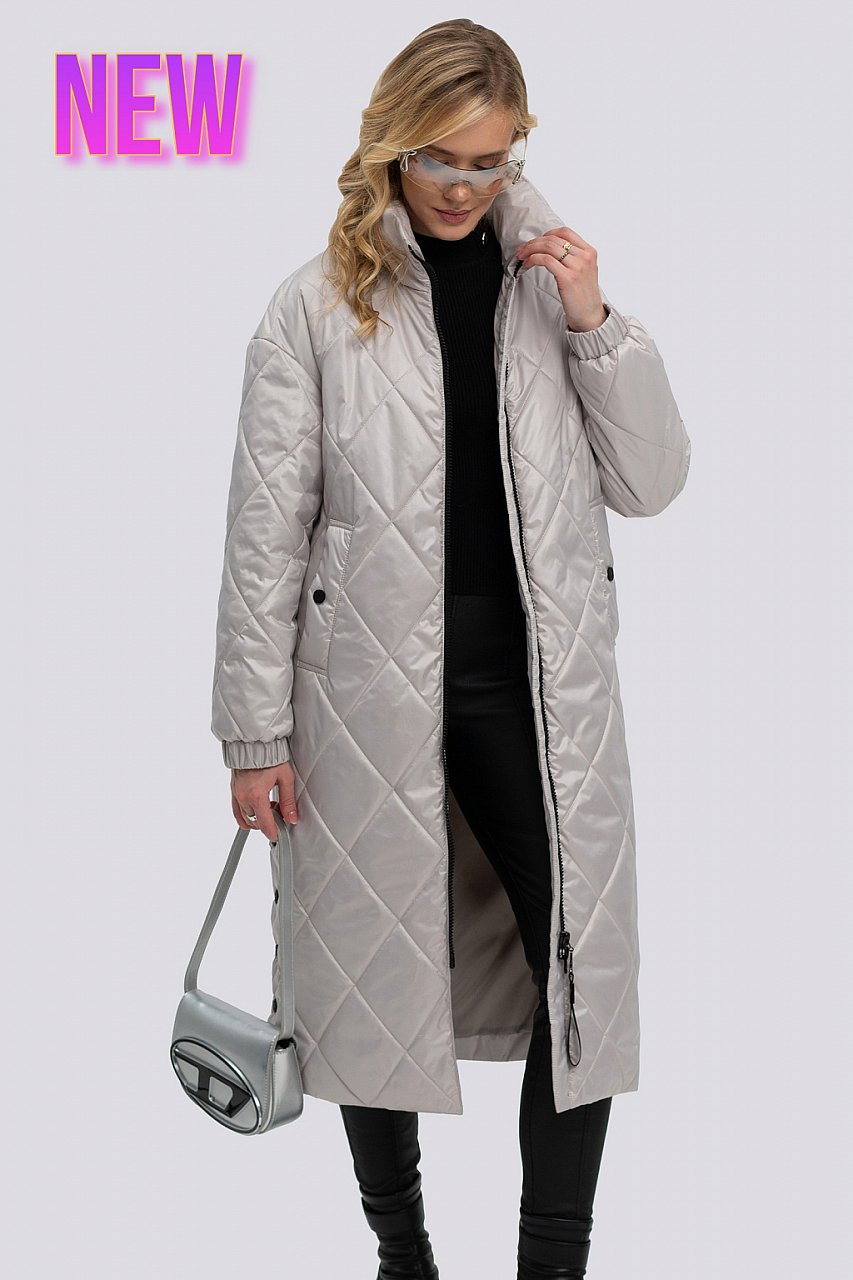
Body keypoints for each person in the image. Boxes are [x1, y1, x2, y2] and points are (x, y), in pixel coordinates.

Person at [210, 19, 690, 1279]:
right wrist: (253, 734)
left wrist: (593, 320)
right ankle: (403, 1256)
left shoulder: (547, 287)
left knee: (583, 984)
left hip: (544, 695)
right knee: (372, 972)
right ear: (391, 146)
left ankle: (552, 1265)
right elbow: (265, 535)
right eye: (440, 158)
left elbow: (652, 482)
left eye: (490, 160)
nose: (464, 186)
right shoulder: (314, 307)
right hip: (366, 696)